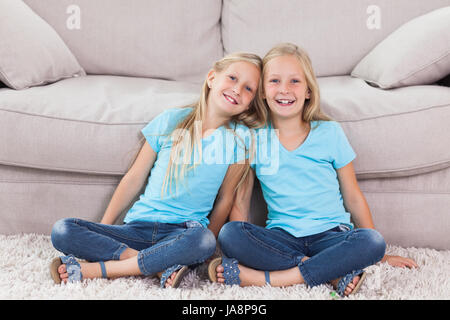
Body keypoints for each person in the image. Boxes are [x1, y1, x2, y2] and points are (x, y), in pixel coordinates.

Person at [208, 43, 418, 297]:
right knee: (231, 235)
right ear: (263, 92)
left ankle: (268, 279)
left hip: (332, 236)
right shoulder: (254, 139)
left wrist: (381, 255)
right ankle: (330, 272)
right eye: (274, 81)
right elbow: (240, 202)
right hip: (282, 239)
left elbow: (352, 195)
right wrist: (242, 247)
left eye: (294, 81)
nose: (284, 89)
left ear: (308, 90)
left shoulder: (329, 133)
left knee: (372, 241)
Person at [49, 52, 267, 288]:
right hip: (137, 228)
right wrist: (106, 228)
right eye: (232, 78)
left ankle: (98, 269)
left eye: (248, 89)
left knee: (202, 240)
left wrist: (208, 248)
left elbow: (226, 199)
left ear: (251, 102)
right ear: (212, 77)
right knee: (63, 230)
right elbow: (134, 178)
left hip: (183, 233)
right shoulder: (171, 120)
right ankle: (158, 267)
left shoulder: (239, 139)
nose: (237, 89)